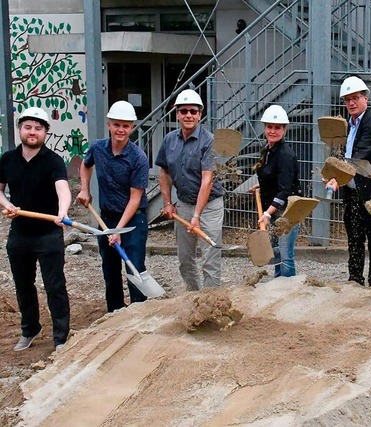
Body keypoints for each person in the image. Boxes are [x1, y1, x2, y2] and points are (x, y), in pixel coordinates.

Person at [0, 107, 71, 351]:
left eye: (38, 128)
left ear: (45, 132)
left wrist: (62, 212)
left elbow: (63, 189)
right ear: (20, 129)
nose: (33, 132)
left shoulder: (53, 161)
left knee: (55, 286)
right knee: (23, 285)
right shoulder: (8, 159)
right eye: (28, 127)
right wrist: (7, 204)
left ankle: (61, 337)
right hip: (20, 233)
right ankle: (30, 329)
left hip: (48, 233)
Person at [76, 101, 149, 312]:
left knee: (134, 267)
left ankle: (138, 313)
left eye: (126, 126)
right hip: (106, 218)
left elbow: (135, 199)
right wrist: (84, 189)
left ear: (132, 127)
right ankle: (115, 312)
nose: (121, 130)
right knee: (110, 268)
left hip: (134, 220)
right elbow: (85, 164)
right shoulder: (98, 148)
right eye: (117, 124)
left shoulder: (138, 158)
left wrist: (118, 230)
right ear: (109, 125)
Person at [326, 76, 371, 287]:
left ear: (366, 99)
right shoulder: (349, 125)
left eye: (355, 98)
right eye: (347, 100)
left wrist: (337, 176)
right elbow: (343, 154)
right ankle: (355, 280)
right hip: (354, 191)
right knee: (354, 238)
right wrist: (333, 173)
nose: (351, 103)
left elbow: (359, 156)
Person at [156, 89, 224, 290]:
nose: (188, 115)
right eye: (183, 111)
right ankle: (194, 298)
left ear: (200, 114)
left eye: (193, 111)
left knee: (210, 258)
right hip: (184, 203)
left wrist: (197, 216)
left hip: (210, 206)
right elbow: (164, 172)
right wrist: (168, 203)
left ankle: (211, 304)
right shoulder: (169, 140)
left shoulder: (209, 141)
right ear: (177, 113)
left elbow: (207, 180)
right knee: (185, 259)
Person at [253, 105, 302, 277]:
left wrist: (267, 214)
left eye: (277, 127)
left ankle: (288, 293)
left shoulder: (285, 155)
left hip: (288, 212)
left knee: (286, 255)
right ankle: (277, 287)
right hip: (274, 210)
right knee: (277, 254)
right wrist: (262, 186)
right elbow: (272, 177)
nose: (273, 131)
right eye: (269, 127)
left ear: (284, 130)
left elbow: (285, 190)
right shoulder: (267, 150)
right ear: (265, 127)